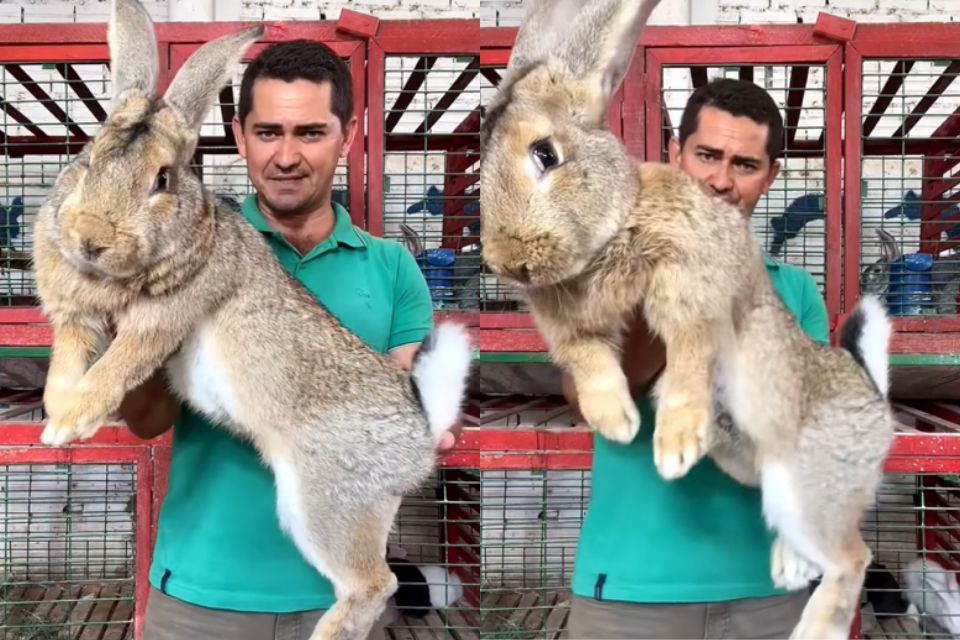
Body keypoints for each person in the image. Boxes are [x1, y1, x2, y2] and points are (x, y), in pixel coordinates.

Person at [117, 39, 456, 640]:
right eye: (268, 132)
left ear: (347, 135)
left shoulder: (392, 269)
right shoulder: (192, 251)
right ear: (239, 136)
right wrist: (141, 319)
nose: (287, 156)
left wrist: (424, 423)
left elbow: (399, 400)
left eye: (310, 132)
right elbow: (144, 421)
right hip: (200, 596)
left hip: (333, 600)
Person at [562, 78, 830, 639]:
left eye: (745, 164)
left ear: (770, 176)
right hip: (631, 593)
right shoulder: (611, 269)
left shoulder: (797, 291)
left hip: (768, 594)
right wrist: (676, 277)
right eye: (707, 155)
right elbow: (583, 398)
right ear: (675, 155)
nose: (721, 181)